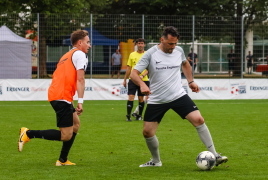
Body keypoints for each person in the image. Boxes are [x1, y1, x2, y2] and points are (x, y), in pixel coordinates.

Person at [130, 26, 228, 167]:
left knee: (199, 119)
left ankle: (215, 155)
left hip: (178, 95)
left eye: (175, 43)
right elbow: (134, 74)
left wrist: (191, 81)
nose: (173, 46)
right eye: (170, 43)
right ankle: (156, 161)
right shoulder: (151, 54)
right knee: (147, 132)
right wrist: (142, 85)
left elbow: (185, 64)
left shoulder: (178, 51)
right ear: (162, 39)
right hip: (157, 99)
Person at [18, 30, 91, 166]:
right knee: (66, 135)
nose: (89, 45)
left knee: (76, 124)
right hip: (61, 96)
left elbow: (65, 78)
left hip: (59, 95)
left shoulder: (67, 55)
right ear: (80, 43)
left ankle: (62, 160)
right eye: (87, 42)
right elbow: (80, 79)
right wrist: (80, 102)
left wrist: (71, 100)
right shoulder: (80, 54)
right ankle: (28, 133)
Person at [123, 38, 149, 121]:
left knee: (141, 99)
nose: (140, 45)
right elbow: (128, 68)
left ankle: (140, 115)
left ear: (144, 44)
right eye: (139, 43)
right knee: (131, 97)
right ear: (136, 45)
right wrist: (124, 80)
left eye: (142, 43)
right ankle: (128, 116)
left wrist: (143, 75)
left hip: (143, 80)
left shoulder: (147, 54)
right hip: (132, 80)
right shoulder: (132, 54)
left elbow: (149, 68)